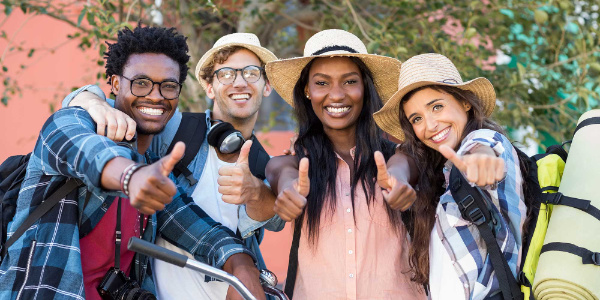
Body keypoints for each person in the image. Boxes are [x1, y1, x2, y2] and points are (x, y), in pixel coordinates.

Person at [0, 25, 265, 300]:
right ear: (115, 84)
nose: (155, 95)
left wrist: (241, 264)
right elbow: (88, 152)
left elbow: (196, 228)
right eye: (141, 82)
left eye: (169, 86)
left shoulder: (152, 167)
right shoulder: (70, 122)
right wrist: (131, 178)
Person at [62, 32, 283, 299]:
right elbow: (90, 127)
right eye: (226, 74)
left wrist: (242, 259)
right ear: (209, 88)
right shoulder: (174, 130)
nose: (239, 82)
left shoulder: (263, 163)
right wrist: (89, 98)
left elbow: (269, 222)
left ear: (267, 86)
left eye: (250, 73)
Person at [265, 29, 426, 299]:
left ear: (365, 88)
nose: (337, 95)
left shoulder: (398, 157)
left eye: (350, 81)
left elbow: (407, 163)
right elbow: (280, 171)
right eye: (322, 83)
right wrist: (287, 188)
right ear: (307, 90)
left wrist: (399, 179)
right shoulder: (292, 163)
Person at [373, 53, 527, 300]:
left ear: (465, 102)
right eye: (417, 119)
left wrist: (481, 161)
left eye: (437, 106)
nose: (430, 125)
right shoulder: (442, 178)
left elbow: (484, 147)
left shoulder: (485, 140)